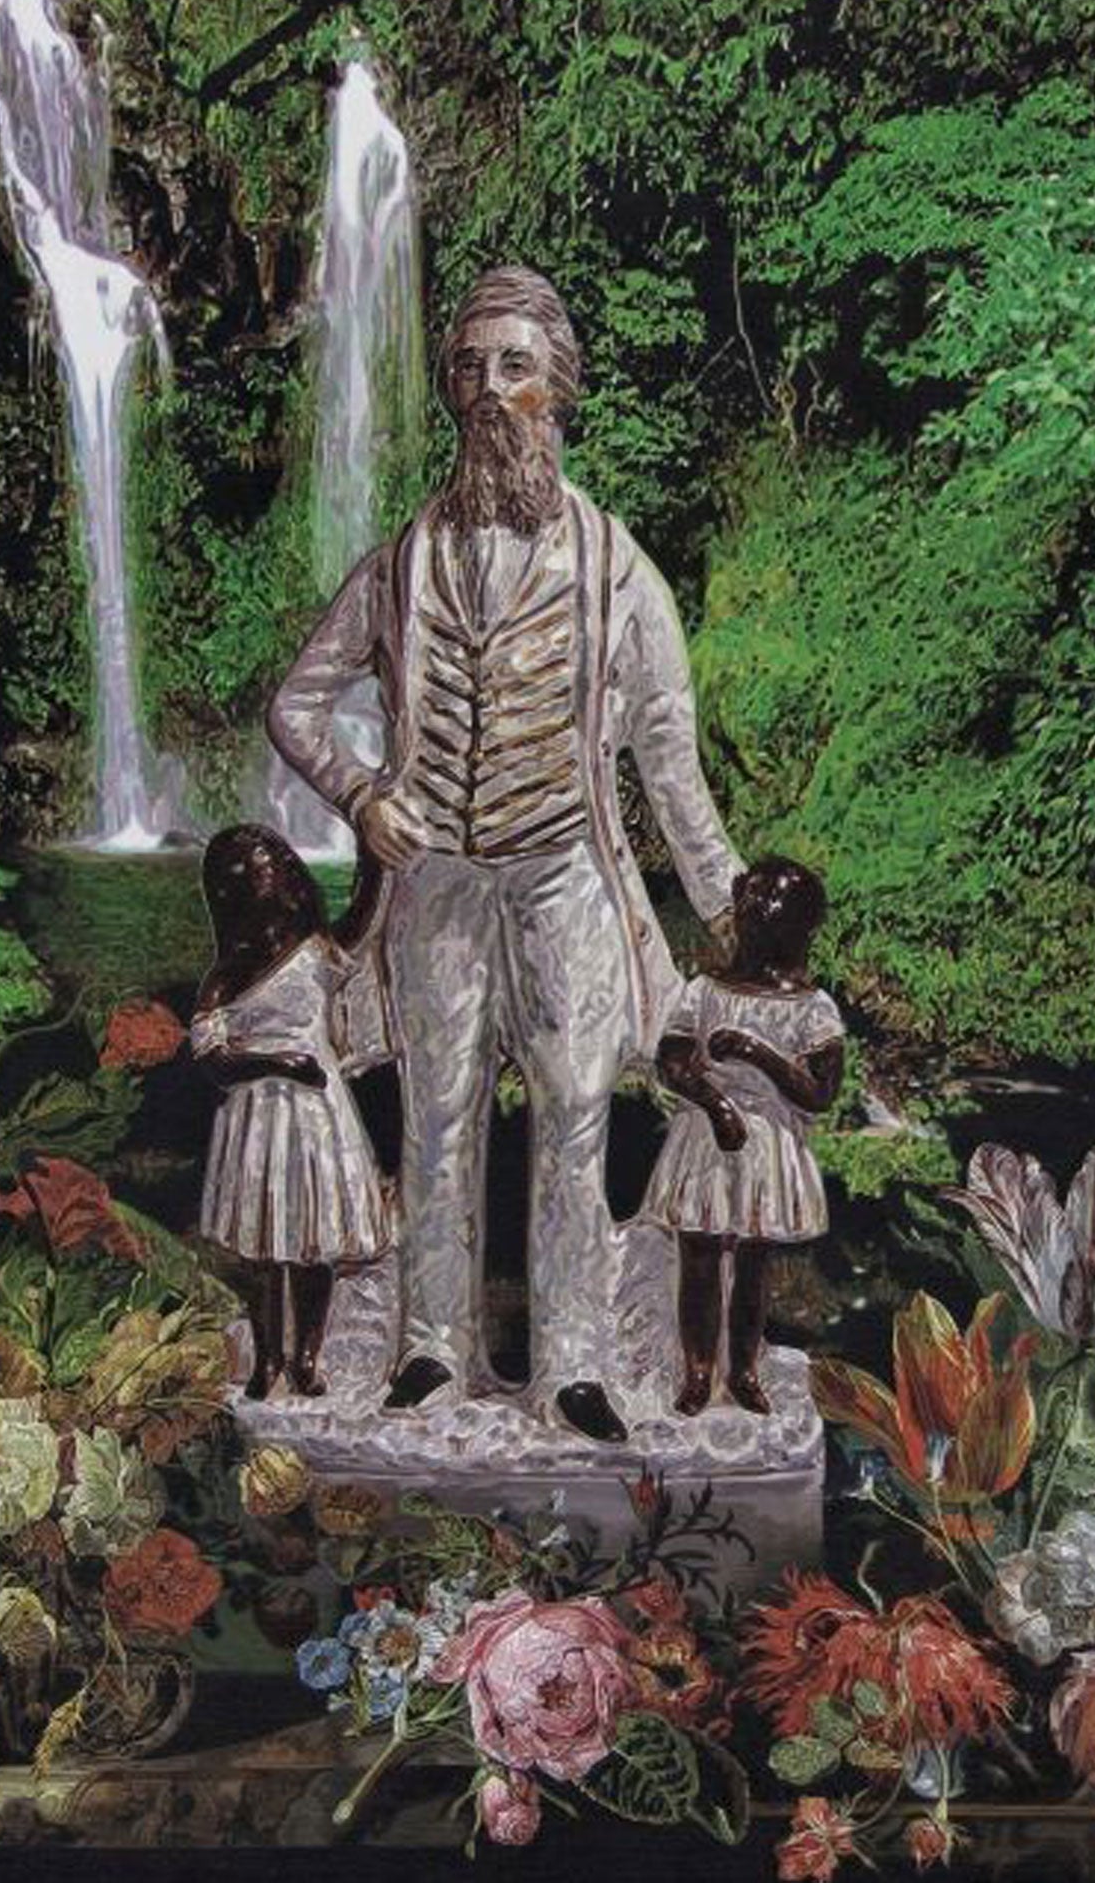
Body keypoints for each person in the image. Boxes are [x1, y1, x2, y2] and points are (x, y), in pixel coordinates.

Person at [268, 266, 741, 1441]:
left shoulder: (617, 566)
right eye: (471, 367)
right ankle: (433, 1346)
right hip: (436, 878)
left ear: (559, 389)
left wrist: (725, 901)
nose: (491, 389)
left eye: (516, 366)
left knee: (576, 1109)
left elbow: (667, 749)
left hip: (566, 870)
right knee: (436, 1109)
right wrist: (362, 796)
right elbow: (297, 704)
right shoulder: (400, 563)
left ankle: (573, 1359)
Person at [190, 824, 389, 1401]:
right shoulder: (228, 974)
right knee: (264, 1248)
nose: (265, 876)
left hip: (318, 1117)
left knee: (314, 1242)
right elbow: (212, 1060)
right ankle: (268, 1356)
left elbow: (365, 916)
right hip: (258, 1120)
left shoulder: (317, 950)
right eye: (250, 871)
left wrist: (373, 851)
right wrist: (275, 1062)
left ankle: (306, 1357)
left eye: (269, 863)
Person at [645, 857, 843, 1416]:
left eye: (769, 903)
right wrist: (714, 1104)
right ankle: (698, 1370)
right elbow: (672, 1062)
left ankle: (745, 1369)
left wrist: (760, 1054)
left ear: (801, 926)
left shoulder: (812, 1008)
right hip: (707, 1138)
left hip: (767, 1144)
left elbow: (820, 1093)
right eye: (749, 900)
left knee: (754, 1261)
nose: (754, 912)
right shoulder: (705, 991)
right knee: (700, 1257)